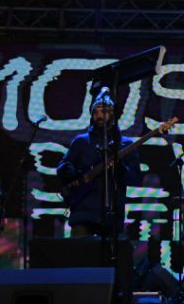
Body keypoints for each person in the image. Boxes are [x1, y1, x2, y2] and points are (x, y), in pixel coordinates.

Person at [56, 88, 140, 237]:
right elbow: (63, 166)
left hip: (112, 214)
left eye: (104, 111)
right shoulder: (81, 141)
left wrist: (120, 169)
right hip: (82, 211)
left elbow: (135, 178)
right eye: (96, 112)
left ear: (113, 114)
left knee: (110, 251)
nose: (99, 116)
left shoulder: (125, 145)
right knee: (79, 249)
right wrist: (72, 173)